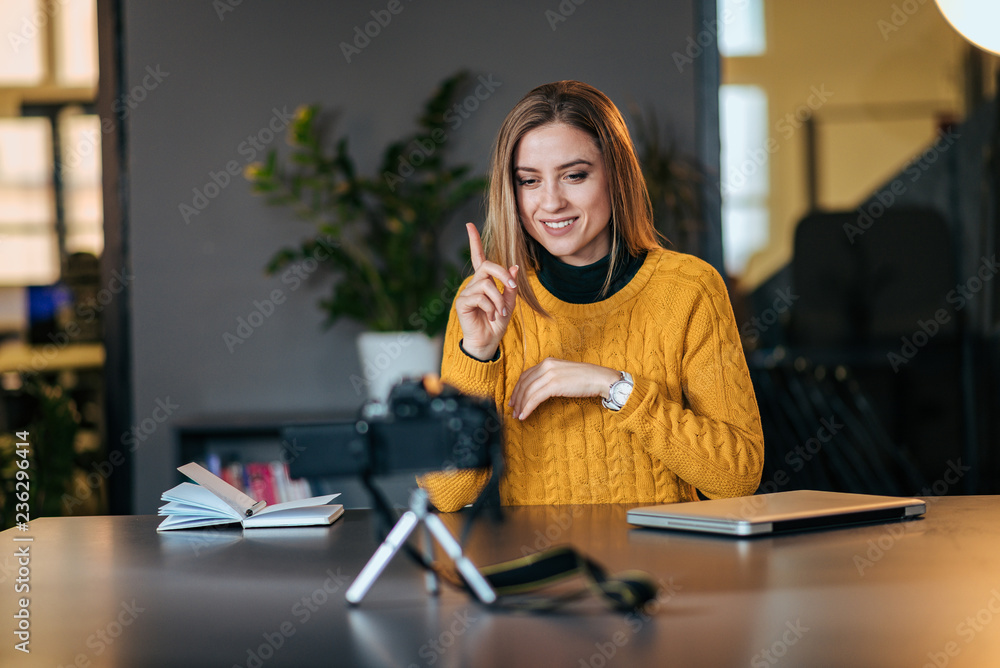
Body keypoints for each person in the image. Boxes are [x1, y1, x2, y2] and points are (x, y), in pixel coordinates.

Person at [420, 80, 764, 512]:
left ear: (615, 175)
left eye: (575, 175)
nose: (551, 202)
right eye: (529, 181)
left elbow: (737, 478)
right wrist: (479, 355)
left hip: (661, 572)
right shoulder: (486, 303)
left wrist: (612, 386)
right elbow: (444, 495)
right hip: (533, 571)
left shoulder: (689, 288)